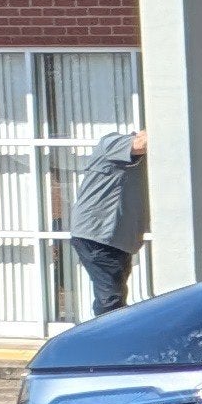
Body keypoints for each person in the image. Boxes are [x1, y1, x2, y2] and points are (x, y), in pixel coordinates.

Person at [66, 124, 147, 318]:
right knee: (111, 299)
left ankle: (109, 331)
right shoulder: (111, 143)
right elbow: (141, 143)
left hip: (116, 238)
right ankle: (106, 335)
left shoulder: (139, 162)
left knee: (114, 294)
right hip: (97, 235)